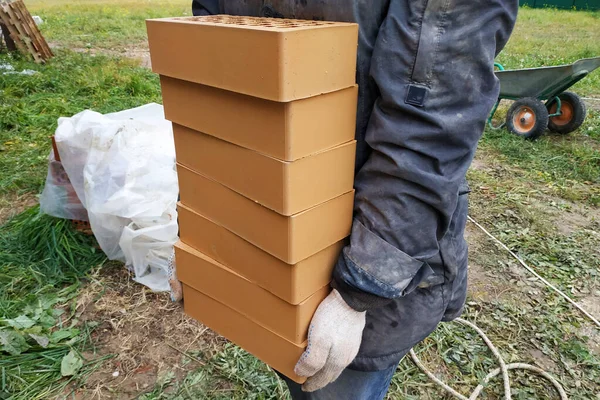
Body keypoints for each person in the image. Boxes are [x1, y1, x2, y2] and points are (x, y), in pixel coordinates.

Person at [192, 1, 519, 399]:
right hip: (267, 241)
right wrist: (197, 222)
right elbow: (206, 80)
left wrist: (363, 287)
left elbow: (431, 120)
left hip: (363, 247)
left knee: (335, 387)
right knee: (294, 369)